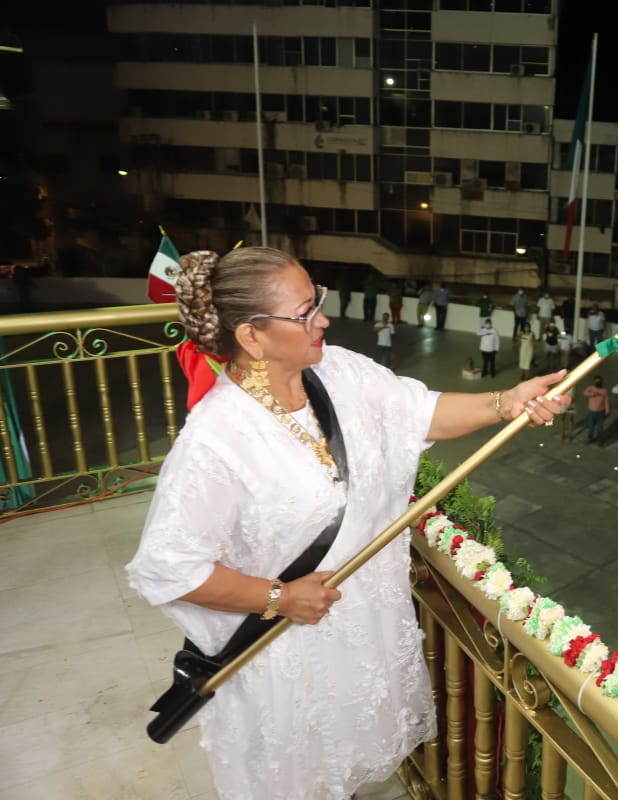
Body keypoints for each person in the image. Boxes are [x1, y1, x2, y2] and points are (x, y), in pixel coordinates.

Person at [125, 246, 569, 800]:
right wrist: (277, 596)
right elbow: (168, 570)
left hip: (359, 635)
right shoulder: (215, 441)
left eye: (319, 302)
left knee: (347, 771)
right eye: (305, 312)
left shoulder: (339, 372)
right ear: (252, 337)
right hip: (287, 654)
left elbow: (419, 412)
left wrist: (506, 401)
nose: (324, 320)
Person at [583, 375, 610, 444]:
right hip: (591, 411)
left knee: (600, 428)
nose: (598, 383)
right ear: (594, 382)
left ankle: (600, 440)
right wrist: (593, 394)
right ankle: (590, 438)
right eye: (596, 381)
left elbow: (606, 401)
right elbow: (585, 393)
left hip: (601, 412)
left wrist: (607, 410)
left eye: (599, 381)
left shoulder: (604, 390)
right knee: (591, 427)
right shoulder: (591, 388)